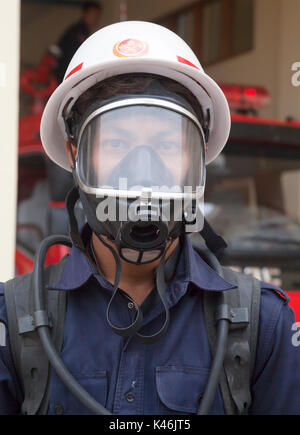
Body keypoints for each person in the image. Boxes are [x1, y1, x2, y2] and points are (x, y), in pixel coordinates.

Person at [1, 21, 300, 416]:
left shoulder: (265, 326)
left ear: (199, 158)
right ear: (76, 154)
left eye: (166, 143)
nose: (143, 168)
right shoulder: (12, 320)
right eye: (117, 141)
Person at [53, 1, 102, 83]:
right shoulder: (78, 31)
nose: (95, 18)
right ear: (85, 14)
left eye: (97, 15)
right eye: (93, 14)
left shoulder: (84, 31)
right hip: (65, 73)